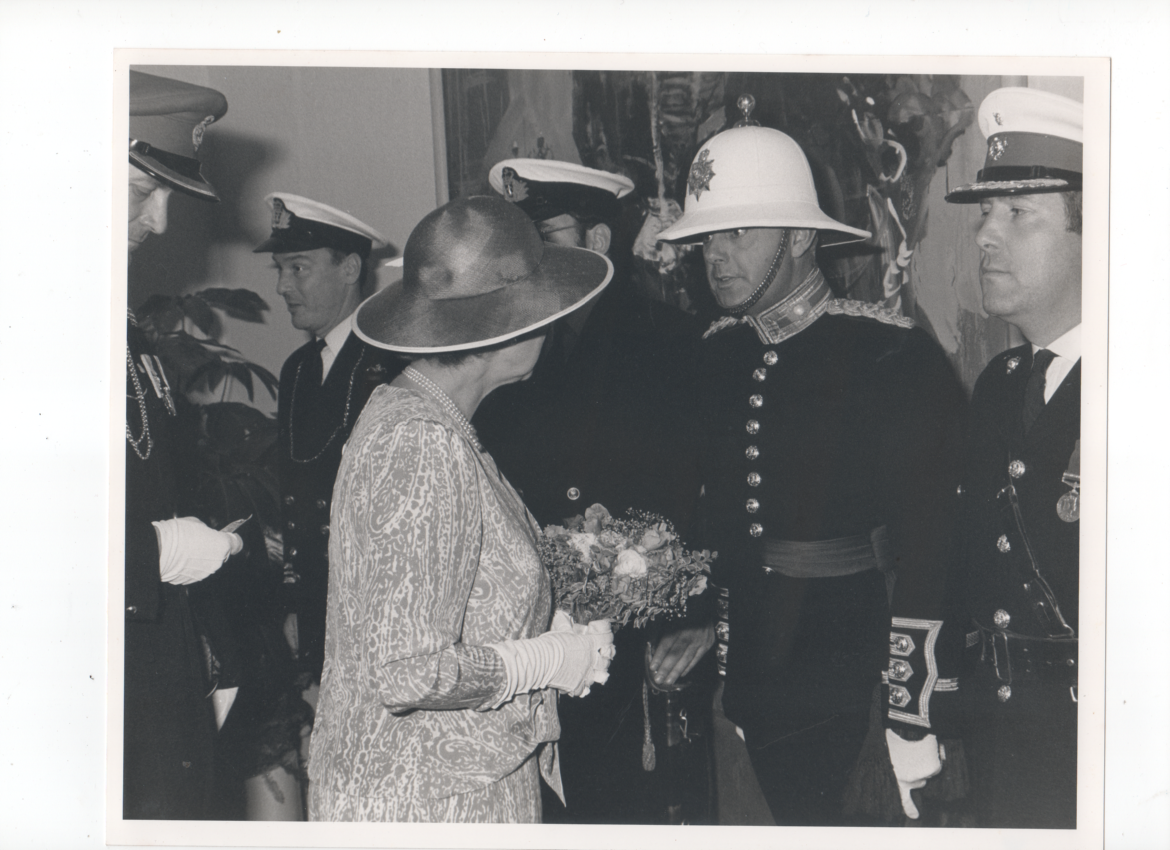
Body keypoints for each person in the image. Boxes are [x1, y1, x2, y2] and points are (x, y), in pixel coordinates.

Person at [657, 102, 967, 826]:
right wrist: (703, 622)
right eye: (707, 238)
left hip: (850, 675)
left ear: (800, 235)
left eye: (739, 231)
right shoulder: (716, 355)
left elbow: (931, 544)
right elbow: (716, 518)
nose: (718, 255)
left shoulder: (891, 356)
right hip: (748, 679)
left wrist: (909, 710)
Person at [306, 195, 617, 823]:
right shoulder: (420, 439)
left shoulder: (433, 420)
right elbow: (406, 672)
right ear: (510, 325)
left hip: (455, 788)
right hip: (426, 803)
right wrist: (544, 660)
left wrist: (550, 628)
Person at [473, 158, 708, 824]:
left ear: (598, 241)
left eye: (543, 232)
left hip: (633, 648)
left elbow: (691, 501)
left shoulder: (669, 342)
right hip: (533, 644)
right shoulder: (514, 347)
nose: (525, 257)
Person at [944, 87, 1084, 829]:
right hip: (999, 746)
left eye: (1018, 214)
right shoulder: (1000, 384)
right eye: (984, 215)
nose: (985, 237)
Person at [124, 70, 244, 819]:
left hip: (159, 685)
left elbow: (165, 490)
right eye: (145, 189)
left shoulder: (122, 325)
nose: (161, 222)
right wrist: (149, 554)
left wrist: (216, 648)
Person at [254, 194, 406, 686]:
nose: (282, 286)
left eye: (298, 268)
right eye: (279, 269)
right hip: (318, 604)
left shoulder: (395, 363)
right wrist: (296, 605)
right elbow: (297, 499)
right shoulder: (297, 370)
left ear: (350, 268)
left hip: (378, 608)